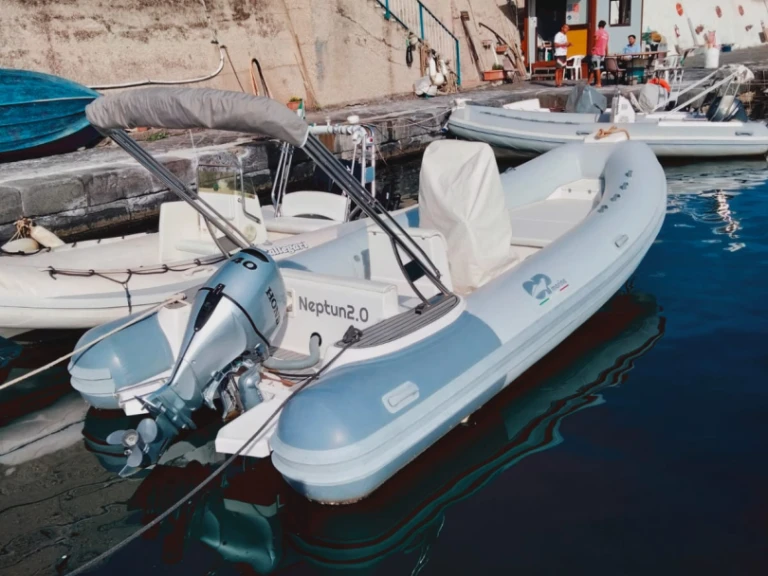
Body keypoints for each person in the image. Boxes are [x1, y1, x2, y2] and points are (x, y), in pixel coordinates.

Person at [589, 20, 609, 87]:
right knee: (593, 68)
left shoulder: (598, 32)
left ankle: (599, 83)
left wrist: (593, 47)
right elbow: (606, 45)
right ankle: (589, 82)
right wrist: (606, 53)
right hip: (602, 53)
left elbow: (596, 39)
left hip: (596, 53)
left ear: (598, 25)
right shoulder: (606, 34)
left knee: (596, 68)